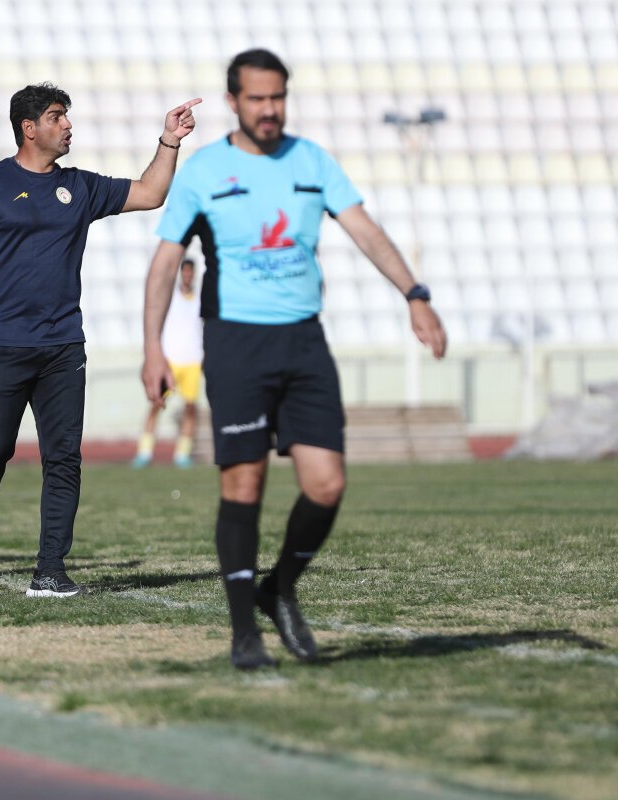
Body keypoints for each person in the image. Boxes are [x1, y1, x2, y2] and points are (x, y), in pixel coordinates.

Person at [141, 49, 447, 670]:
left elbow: (365, 230)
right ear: (234, 102)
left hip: (304, 342)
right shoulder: (205, 170)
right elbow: (167, 260)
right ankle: (244, 635)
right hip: (235, 343)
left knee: (327, 484)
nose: (269, 109)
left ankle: (279, 587)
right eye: (256, 98)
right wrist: (153, 347)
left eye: (277, 97)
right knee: (244, 483)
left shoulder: (311, 160)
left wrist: (414, 295)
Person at [0, 83, 201, 599]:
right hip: (2, 343)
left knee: (63, 458)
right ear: (29, 128)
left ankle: (50, 570)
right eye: (57, 117)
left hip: (62, 346)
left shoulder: (79, 186)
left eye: (67, 116)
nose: (68, 125)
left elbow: (150, 193)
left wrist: (169, 140)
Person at [132, 257, 202, 469]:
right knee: (157, 403)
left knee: (190, 407)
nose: (187, 275)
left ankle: (182, 454)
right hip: (171, 361)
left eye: (190, 272)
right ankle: (144, 451)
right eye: (185, 271)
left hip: (193, 361)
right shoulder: (171, 296)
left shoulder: (199, 298)